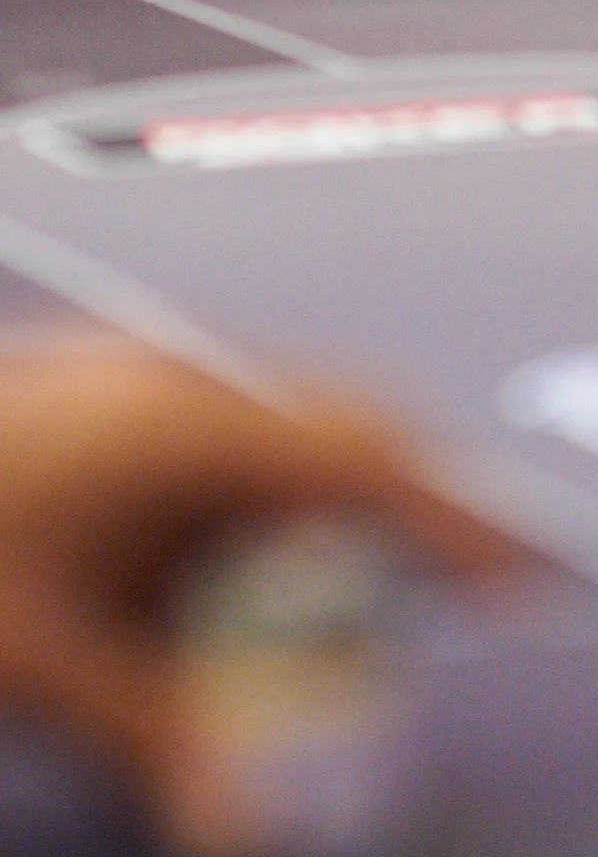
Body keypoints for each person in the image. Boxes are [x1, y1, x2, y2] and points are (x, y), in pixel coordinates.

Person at [0, 335, 515, 850]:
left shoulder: (209, 430)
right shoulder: (133, 456)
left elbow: (351, 445)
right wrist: (171, 750)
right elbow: (31, 638)